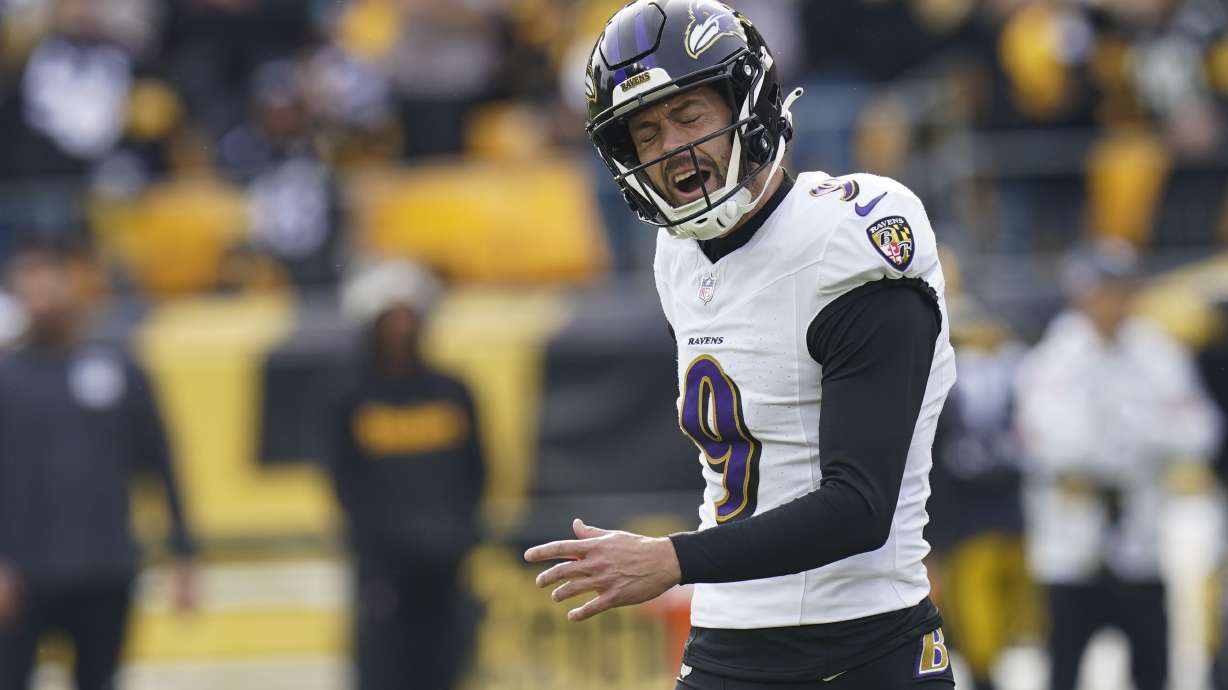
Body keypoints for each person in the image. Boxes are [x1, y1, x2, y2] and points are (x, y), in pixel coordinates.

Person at [524, 2, 957, 688]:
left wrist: (673, 559)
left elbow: (859, 506)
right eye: (645, 131)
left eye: (688, 116)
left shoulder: (849, 237)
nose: (670, 146)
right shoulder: (677, 256)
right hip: (729, 642)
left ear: (746, 103)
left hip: (862, 644)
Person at [1014, 239, 1221, 690]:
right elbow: (1050, 444)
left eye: (1122, 289)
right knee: (1064, 668)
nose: (1114, 301)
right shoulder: (1054, 358)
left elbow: (1201, 430)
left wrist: (1128, 439)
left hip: (1141, 537)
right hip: (1071, 543)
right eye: (1103, 290)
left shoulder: (1156, 351)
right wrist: (1143, 446)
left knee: (1152, 668)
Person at [0, 235, 197, 690]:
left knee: (100, 678)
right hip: (24, 574)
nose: (41, 296)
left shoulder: (120, 369)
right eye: (28, 285)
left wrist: (183, 551)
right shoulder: (7, 379)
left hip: (105, 567)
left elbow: (160, 460)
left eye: (49, 280)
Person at [327, 261, 486, 690]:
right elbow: (345, 484)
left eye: (408, 317)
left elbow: (477, 471)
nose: (401, 329)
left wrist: (460, 535)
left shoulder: (452, 392)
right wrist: (373, 554)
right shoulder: (352, 398)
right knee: (383, 670)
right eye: (390, 319)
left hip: (445, 565)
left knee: (445, 667)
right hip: (384, 571)